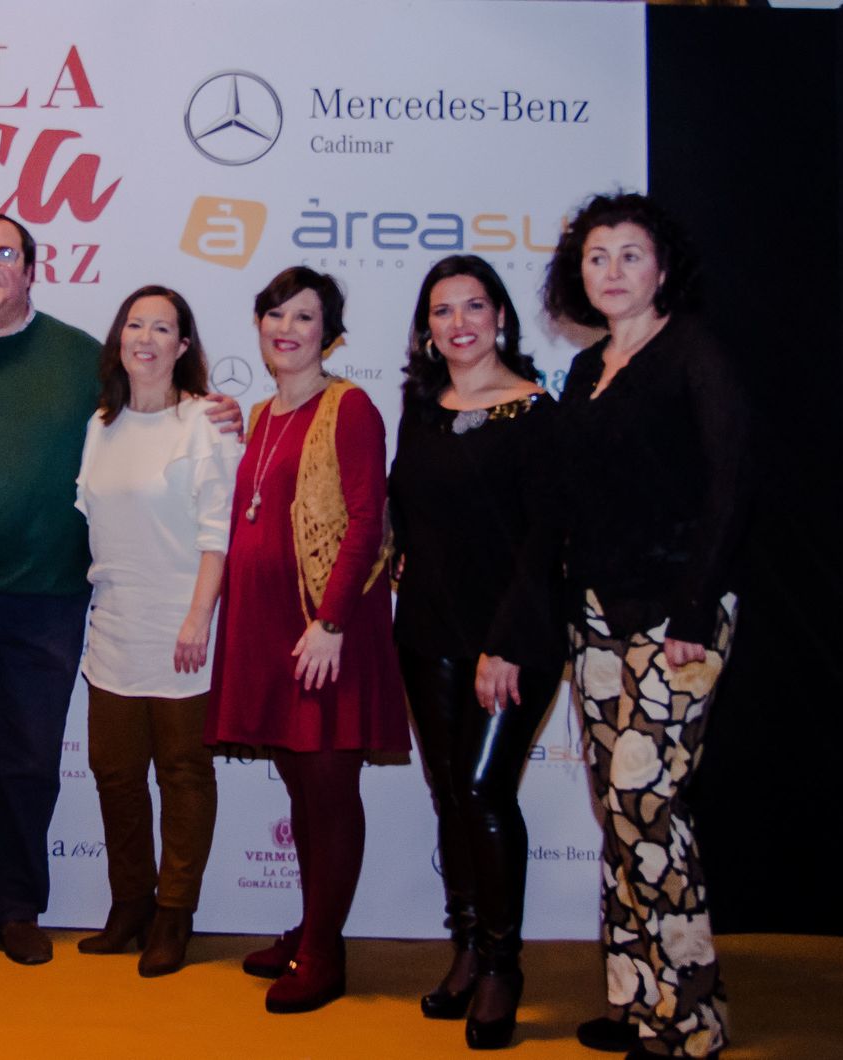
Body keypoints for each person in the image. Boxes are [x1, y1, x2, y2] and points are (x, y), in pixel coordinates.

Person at [0, 213, 240, 966]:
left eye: (4, 253)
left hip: (47, 601)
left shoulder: (80, 360)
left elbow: (164, 415)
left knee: (26, 763)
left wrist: (227, 412)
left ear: (32, 267)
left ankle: (15, 909)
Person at [543, 193, 748, 1060]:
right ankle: (636, 1002)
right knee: (619, 811)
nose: (614, 270)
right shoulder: (587, 368)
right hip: (597, 616)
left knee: (647, 804)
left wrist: (696, 608)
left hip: (680, 616)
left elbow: (731, 485)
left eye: (631, 254)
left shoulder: (694, 351)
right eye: (598, 257)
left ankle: (692, 1018)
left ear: (663, 268)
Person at [206, 266, 408, 1013]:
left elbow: (366, 522)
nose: (286, 328)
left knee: (328, 793)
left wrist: (329, 622)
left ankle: (324, 953)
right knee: (299, 787)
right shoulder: (259, 416)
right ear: (259, 326)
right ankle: (311, 927)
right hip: (265, 630)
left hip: (328, 633)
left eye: (304, 317)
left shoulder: (349, 407)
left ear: (331, 333)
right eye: (274, 315)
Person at [387, 255, 564, 1050]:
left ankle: (501, 966)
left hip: (509, 641)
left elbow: (544, 539)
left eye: (472, 307)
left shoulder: (535, 411)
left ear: (500, 316)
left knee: (487, 790)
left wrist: (507, 643)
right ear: (427, 330)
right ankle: (464, 945)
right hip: (425, 635)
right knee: (451, 794)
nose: (458, 324)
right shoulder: (421, 408)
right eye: (440, 312)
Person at [74, 286, 240, 977]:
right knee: (115, 774)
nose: (145, 337)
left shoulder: (204, 421)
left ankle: (175, 913)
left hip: (183, 626)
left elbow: (219, 530)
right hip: (114, 625)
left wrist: (199, 616)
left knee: (182, 773)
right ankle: (130, 907)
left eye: (162, 327)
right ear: (119, 340)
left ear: (183, 346)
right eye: (134, 324)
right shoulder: (99, 425)